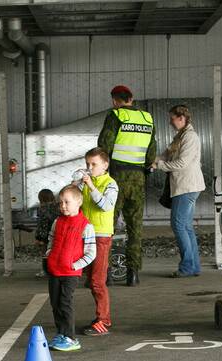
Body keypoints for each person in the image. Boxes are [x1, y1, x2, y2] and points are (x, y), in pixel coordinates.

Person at [97, 84, 155, 287]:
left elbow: (104, 146)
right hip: (138, 178)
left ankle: (106, 274)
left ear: (115, 100)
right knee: (135, 227)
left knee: (107, 225)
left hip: (116, 177)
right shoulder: (147, 118)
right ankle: (133, 274)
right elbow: (151, 153)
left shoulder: (116, 115)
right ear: (131, 98)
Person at [153, 104, 206, 278]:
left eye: (172, 118)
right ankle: (194, 267)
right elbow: (166, 155)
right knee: (186, 227)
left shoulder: (190, 137)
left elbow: (181, 164)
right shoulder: (180, 136)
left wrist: (159, 165)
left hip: (186, 187)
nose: (170, 122)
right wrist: (153, 160)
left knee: (178, 225)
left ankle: (187, 267)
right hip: (186, 186)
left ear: (181, 118)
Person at [43, 185, 97, 352]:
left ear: (79, 202)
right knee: (55, 303)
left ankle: (71, 338)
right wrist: (49, 254)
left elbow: (91, 253)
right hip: (54, 270)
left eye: (67, 202)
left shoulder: (86, 226)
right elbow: (51, 239)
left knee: (65, 303)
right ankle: (61, 333)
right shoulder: (57, 222)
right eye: (61, 203)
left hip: (70, 273)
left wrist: (75, 265)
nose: (63, 206)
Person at [76, 148, 119, 336]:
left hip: (101, 236)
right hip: (84, 234)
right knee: (90, 280)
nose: (89, 168)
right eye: (88, 164)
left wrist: (91, 187)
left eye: (93, 164)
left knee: (97, 281)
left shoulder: (110, 184)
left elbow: (105, 205)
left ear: (105, 165)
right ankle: (100, 317)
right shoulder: (85, 183)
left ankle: (104, 320)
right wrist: (74, 186)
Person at [34, 188, 60, 278]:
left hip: (46, 235)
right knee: (55, 252)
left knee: (45, 253)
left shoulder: (42, 209)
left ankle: (45, 270)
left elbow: (42, 225)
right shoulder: (58, 207)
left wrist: (39, 238)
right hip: (57, 233)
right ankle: (56, 269)